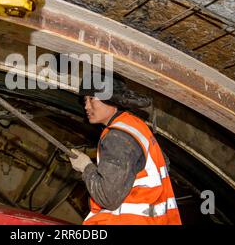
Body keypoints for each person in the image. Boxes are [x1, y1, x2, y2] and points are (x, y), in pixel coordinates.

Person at [69, 74, 182, 225]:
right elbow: (164, 164)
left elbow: (108, 197)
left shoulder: (117, 137)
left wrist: (86, 167)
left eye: (92, 99)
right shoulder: (135, 127)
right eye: (85, 100)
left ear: (112, 100)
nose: (86, 106)